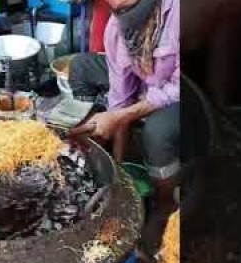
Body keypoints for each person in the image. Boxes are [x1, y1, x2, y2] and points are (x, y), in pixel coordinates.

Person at [68, 0, 179, 204]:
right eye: (118, 10)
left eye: (130, 8)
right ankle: (98, 149)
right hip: (146, 83)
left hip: (180, 93)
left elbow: (177, 88)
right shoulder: (117, 27)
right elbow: (121, 98)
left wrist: (122, 115)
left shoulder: (178, 14)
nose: (124, 15)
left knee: (157, 131)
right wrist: (118, 167)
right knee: (81, 66)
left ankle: (165, 205)